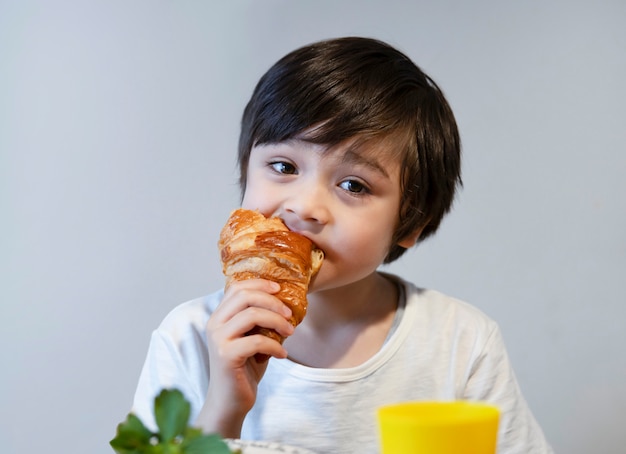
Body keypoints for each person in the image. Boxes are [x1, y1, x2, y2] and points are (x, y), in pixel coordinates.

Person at [132, 37, 553, 453]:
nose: (306, 206)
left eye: (353, 185)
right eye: (284, 166)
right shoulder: (188, 338)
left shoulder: (459, 342)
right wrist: (224, 406)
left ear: (410, 223)